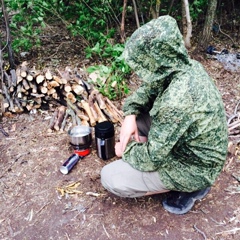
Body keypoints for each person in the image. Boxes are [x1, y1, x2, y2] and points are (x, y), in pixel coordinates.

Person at [100, 15, 228, 215]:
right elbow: (149, 89)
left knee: (111, 177)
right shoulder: (185, 65)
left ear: (155, 58)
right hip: (190, 143)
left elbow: (151, 158)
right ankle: (147, 147)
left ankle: (191, 187)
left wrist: (124, 151)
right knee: (141, 119)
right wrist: (130, 114)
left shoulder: (177, 101)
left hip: (196, 167)